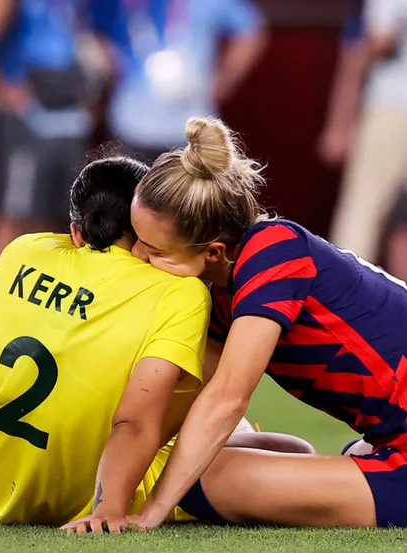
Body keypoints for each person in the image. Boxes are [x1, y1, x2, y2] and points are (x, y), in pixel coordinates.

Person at [0, 154, 304, 531]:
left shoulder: (21, 252)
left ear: (77, 231)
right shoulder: (179, 292)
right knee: (294, 452)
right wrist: (108, 511)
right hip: (97, 488)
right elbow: (134, 422)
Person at [120, 116, 407, 531]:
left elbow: (226, 401)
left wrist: (151, 512)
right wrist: (106, 481)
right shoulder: (225, 289)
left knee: (197, 481)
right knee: (188, 463)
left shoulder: (272, 252)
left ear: (214, 253)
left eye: (155, 251)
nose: (139, 260)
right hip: (389, 440)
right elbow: (183, 400)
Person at [0, 0, 94, 280]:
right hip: (28, 121)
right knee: (13, 215)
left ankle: (34, 307)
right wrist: (2, 91)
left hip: (67, 117)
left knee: (52, 220)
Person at [91, 0, 266, 162]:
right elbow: (89, 31)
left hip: (193, 129)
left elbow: (251, 29)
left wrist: (224, 81)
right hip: (131, 126)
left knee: (191, 195)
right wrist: (109, 61)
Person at [326, 0, 407, 263]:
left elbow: (378, 39)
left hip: (392, 107)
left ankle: (345, 297)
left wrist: (340, 121)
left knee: (363, 209)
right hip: (393, 105)